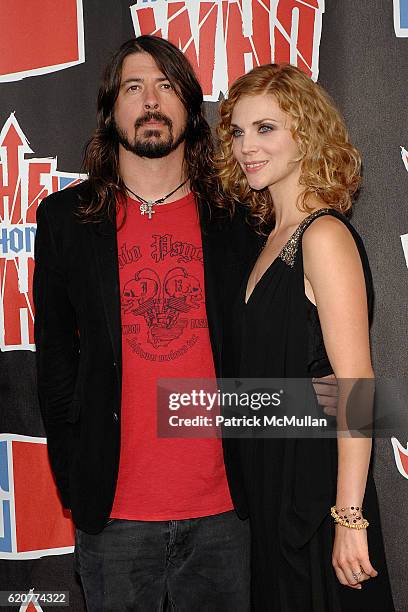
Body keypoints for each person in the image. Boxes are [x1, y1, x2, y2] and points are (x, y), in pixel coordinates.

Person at [33, 35, 252, 611]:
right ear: (111, 110)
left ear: (190, 107)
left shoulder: (238, 218)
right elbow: (55, 359)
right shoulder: (65, 220)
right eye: (134, 87)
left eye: (166, 86)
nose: (151, 101)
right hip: (115, 516)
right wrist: (75, 476)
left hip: (226, 511)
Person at [215, 63, 395, 611]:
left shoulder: (324, 235)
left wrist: (349, 516)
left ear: (307, 133)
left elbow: (355, 385)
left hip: (315, 494)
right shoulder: (268, 238)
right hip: (269, 484)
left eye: (266, 128)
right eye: (239, 131)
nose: (248, 146)